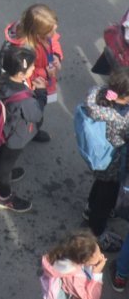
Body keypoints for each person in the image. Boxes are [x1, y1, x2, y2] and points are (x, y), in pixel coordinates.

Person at [77, 71, 129, 249]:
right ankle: (97, 232)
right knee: (106, 199)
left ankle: (89, 209)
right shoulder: (122, 118)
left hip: (100, 159)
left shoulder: (97, 94)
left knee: (100, 185)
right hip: (114, 164)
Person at [0, 45, 43, 212]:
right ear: (21, 74)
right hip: (16, 136)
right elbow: (36, 115)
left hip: (1, 128)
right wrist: (41, 94)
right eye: (32, 67)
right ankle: (3, 196)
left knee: (0, 153)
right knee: (7, 162)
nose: (34, 68)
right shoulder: (25, 99)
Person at [0, 2, 62, 141]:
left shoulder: (41, 35)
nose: (55, 34)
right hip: (30, 88)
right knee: (31, 112)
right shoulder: (24, 51)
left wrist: (57, 56)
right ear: (37, 33)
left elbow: (54, 42)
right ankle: (26, 132)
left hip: (41, 82)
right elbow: (26, 73)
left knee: (38, 110)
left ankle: (34, 129)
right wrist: (45, 72)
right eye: (51, 32)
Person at [41, 231, 106, 299]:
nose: (101, 256)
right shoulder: (75, 279)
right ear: (84, 261)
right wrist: (97, 274)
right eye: (98, 255)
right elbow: (89, 297)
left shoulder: (65, 255)